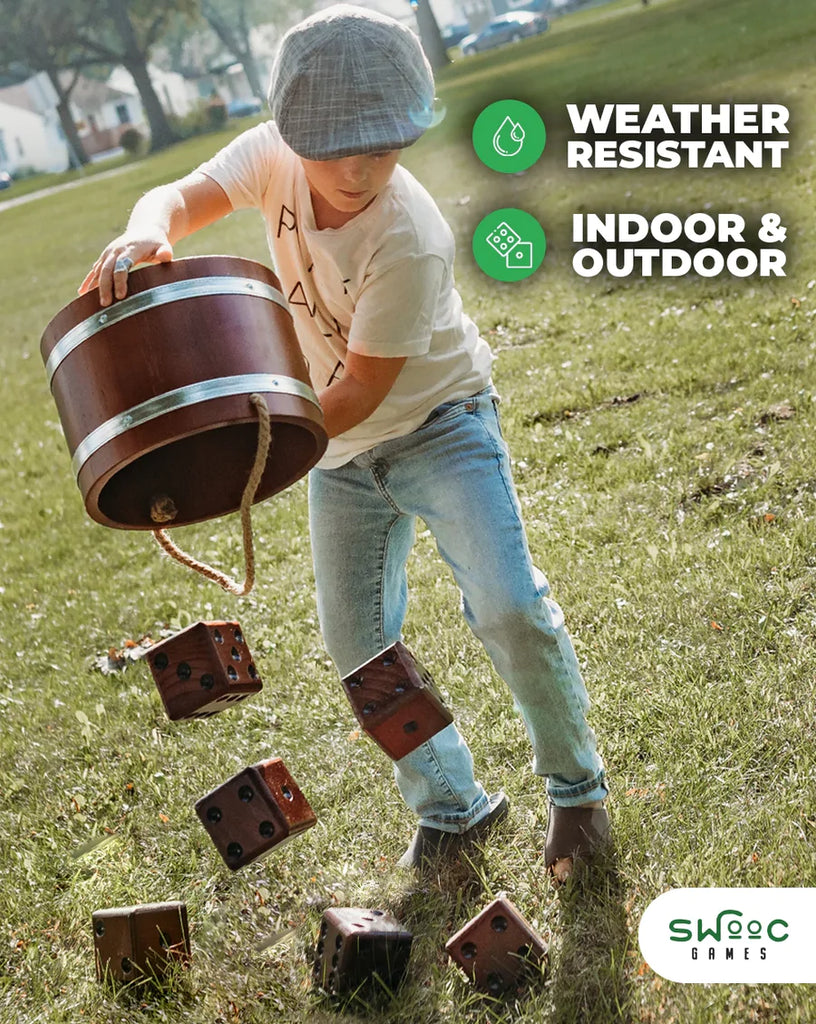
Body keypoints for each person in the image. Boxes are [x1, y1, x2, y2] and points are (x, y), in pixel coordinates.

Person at [79, 4, 609, 882]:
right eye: (338, 148)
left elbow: (362, 389)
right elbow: (177, 196)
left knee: (510, 608)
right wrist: (149, 226)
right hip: (342, 456)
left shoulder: (409, 234)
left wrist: (241, 453)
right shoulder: (269, 157)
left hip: (441, 428)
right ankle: (453, 807)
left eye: (385, 146)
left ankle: (578, 795)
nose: (362, 168)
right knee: (358, 641)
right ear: (293, 133)